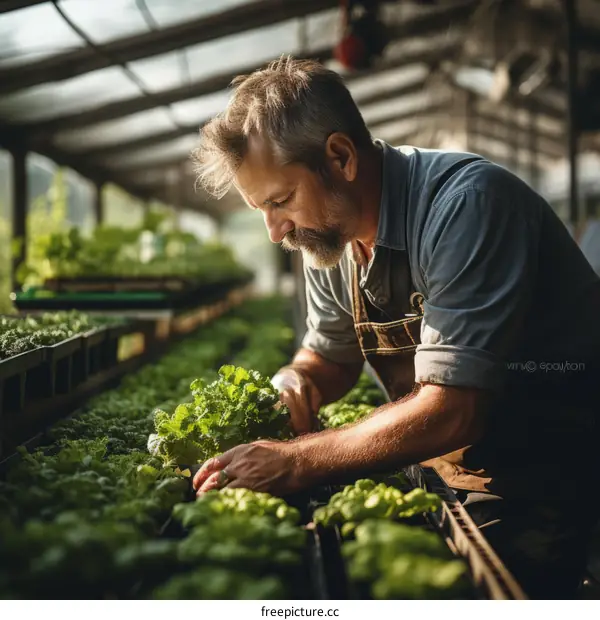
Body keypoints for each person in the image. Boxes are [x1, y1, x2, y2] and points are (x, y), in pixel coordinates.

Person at [190, 56, 600, 599]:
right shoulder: (330, 239)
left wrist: (296, 460)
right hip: (446, 454)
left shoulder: (466, 207)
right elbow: (332, 357)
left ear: (340, 157)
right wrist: (297, 380)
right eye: (261, 209)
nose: (274, 231)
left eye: (281, 201)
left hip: (545, 464)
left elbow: (453, 408)